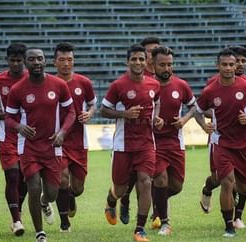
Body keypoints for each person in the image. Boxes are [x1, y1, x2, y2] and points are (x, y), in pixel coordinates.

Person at [5, 47, 76, 242]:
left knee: (52, 192)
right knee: (34, 187)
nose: (36, 62)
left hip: (53, 146)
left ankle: (46, 203)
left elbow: (71, 112)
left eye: (40, 59)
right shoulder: (18, 89)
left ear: (45, 62)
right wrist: (19, 126)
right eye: (32, 59)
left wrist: (62, 132)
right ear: (26, 63)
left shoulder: (59, 85)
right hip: (29, 147)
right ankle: (39, 233)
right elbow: (9, 118)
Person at [195, 48, 246, 237]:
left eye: (231, 64)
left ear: (236, 66)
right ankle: (229, 225)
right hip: (221, 142)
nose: (228, 68)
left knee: (244, 188)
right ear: (217, 66)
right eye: (224, 65)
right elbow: (197, 111)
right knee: (226, 182)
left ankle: (230, 208)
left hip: (242, 143)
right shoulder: (210, 90)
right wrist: (204, 125)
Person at [102, 44, 163, 242]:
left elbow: (157, 101)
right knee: (120, 189)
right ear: (127, 62)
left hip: (146, 143)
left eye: (141, 59)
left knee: (145, 182)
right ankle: (111, 200)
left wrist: (157, 118)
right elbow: (104, 110)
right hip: (123, 145)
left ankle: (140, 229)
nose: (138, 62)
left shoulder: (154, 84)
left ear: (147, 62)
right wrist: (124, 114)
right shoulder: (118, 86)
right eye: (134, 59)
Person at [149, 45, 205, 235]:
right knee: (161, 178)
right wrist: (151, 121)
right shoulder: (147, 85)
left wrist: (184, 119)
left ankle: (156, 203)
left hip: (175, 142)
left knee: (176, 186)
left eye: (170, 64)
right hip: (153, 143)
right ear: (153, 65)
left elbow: (193, 107)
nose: (167, 68)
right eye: (162, 65)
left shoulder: (181, 85)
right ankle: (165, 222)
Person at [52, 42, 97, 232]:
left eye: (69, 59)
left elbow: (94, 104)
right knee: (62, 179)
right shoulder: (50, 83)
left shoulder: (84, 82)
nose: (66, 64)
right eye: (62, 60)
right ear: (54, 62)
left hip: (79, 141)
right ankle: (64, 223)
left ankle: (69, 197)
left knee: (77, 188)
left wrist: (90, 113)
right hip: (58, 141)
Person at [119, 36, 161, 227]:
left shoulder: (163, 73)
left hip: (154, 135)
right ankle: (124, 200)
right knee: (132, 178)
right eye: (149, 52)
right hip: (129, 138)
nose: (152, 56)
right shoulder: (127, 80)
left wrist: (155, 118)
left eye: (155, 51)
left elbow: (158, 101)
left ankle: (150, 218)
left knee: (148, 178)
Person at [0, 43, 28, 236]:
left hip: (28, 137)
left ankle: (17, 210)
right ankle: (17, 220)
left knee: (25, 180)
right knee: (12, 176)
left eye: (19, 61)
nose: (15, 64)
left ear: (24, 61)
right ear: (7, 60)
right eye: (12, 61)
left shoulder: (32, 79)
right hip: (7, 135)